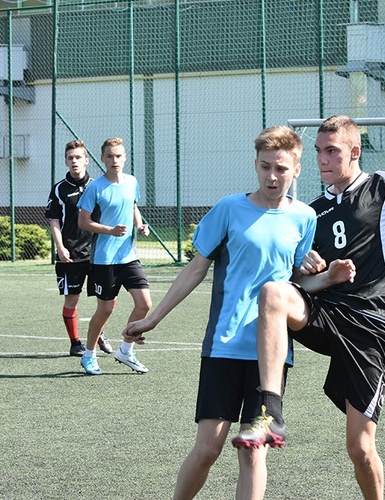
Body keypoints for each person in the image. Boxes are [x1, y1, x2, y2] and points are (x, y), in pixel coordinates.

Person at [230, 115, 385, 500]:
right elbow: (299, 283)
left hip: (369, 327)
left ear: (354, 152)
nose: (323, 160)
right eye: (318, 152)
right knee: (274, 294)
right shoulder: (310, 213)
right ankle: (269, 411)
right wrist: (307, 268)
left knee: (360, 450)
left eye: (332, 151)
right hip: (326, 315)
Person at [122, 126, 330, 500]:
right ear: (255, 165)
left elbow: (295, 286)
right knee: (208, 449)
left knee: (253, 452)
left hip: (272, 356)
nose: (272, 176)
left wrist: (327, 276)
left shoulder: (304, 217)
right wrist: (154, 317)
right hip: (224, 344)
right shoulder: (229, 209)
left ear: (297, 170)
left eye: (281, 169)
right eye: (265, 167)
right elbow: (195, 269)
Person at [76, 137, 151, 375]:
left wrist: (139, 225)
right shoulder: (95, 187)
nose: (114, 160)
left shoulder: (132, 182)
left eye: (118, 155)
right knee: (105, 310)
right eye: (109, 156)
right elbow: (83, 221)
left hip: (128, 256)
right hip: (103, 259)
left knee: (145, 304)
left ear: (125, 157)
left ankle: (126, 350)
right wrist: (109, 230)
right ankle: (88, 355)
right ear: (103, 159)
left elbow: (132, 207)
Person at [45, 139, 113, 357]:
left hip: (97, 253)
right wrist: (60, 247)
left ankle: (98, 333)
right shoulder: (59, 189)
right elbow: (54, 220)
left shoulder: (97, 185)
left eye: (78, 157)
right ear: (66, 162)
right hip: (71, 254)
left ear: (86, 160)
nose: (74, 161)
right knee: (72, 299)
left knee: (106, 299)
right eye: (70, 158)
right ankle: (75, 343)